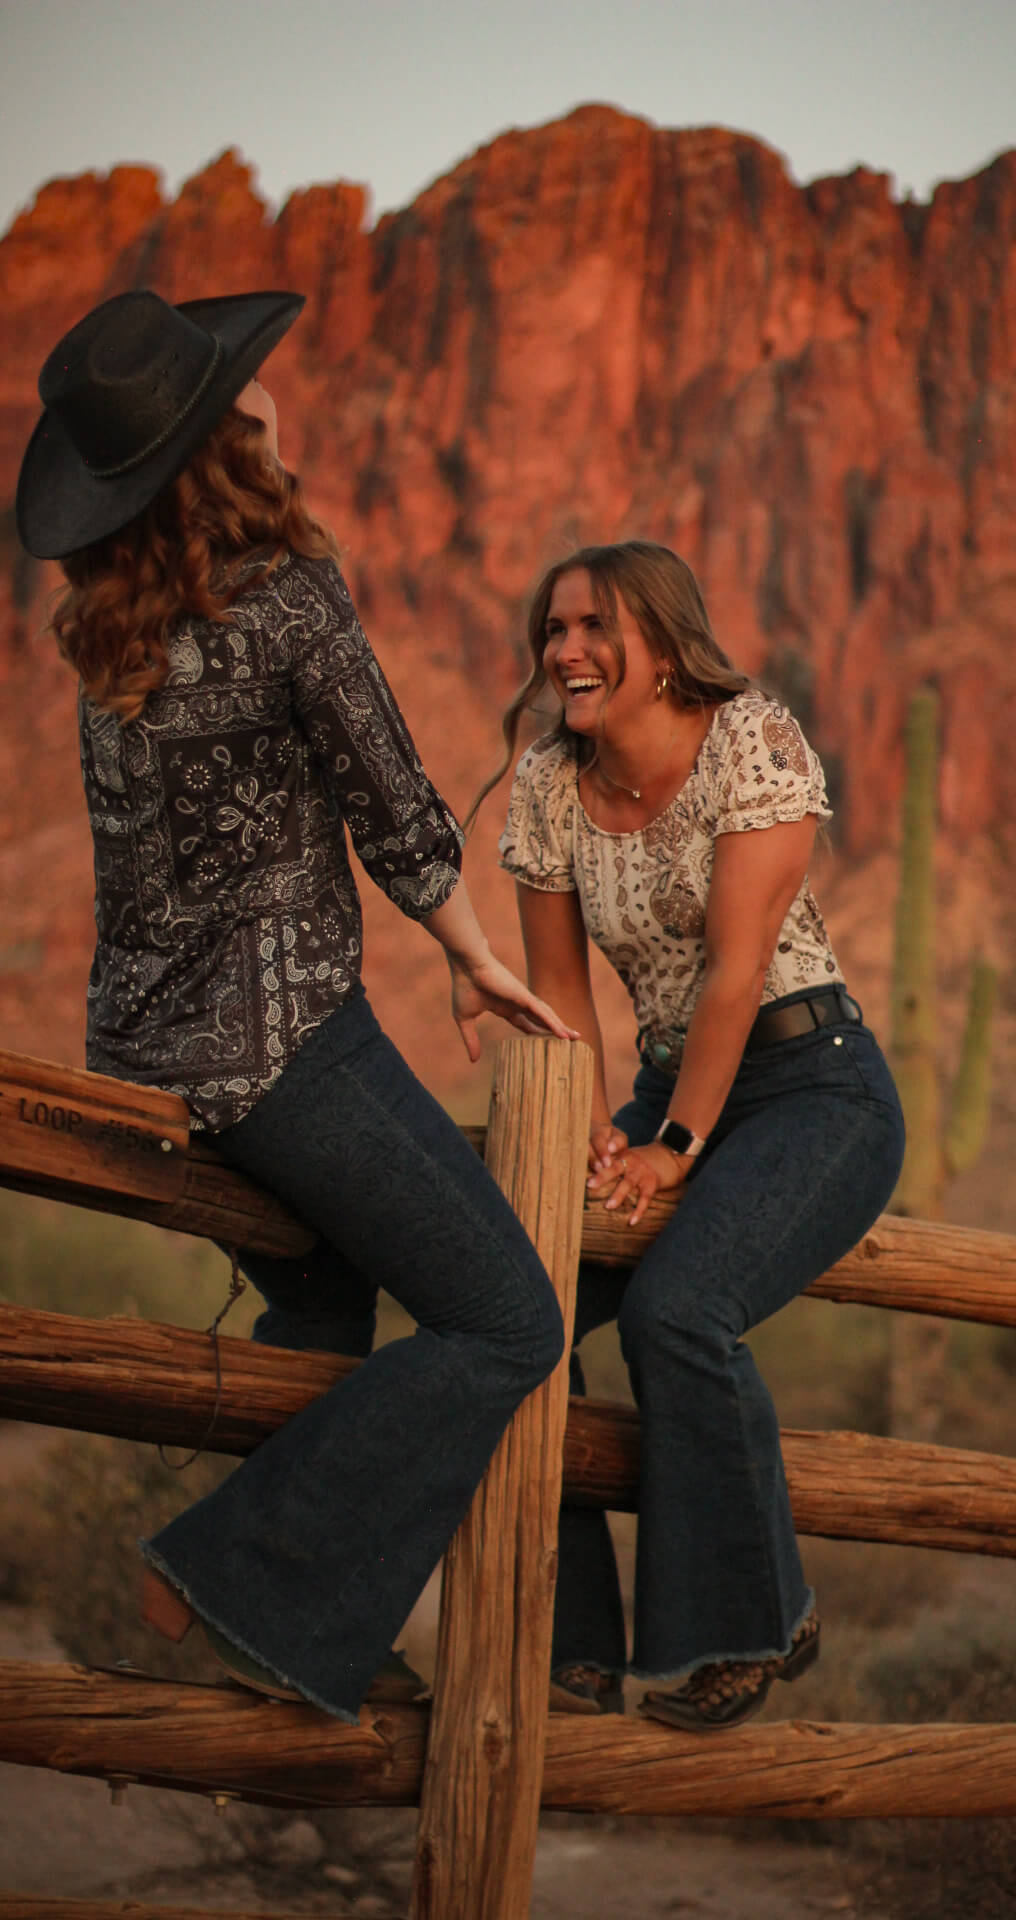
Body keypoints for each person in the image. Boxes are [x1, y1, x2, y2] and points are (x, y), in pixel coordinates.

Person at [15, 288, 571, 1723]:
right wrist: (475, 955)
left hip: (145, 1051)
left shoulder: (107, 636)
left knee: (327, 1310)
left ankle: (294, 1627)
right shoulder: (286, 602)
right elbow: (395, 808)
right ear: (226, 451)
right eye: (246, 405)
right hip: (282, 1052)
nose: (275, 411)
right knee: (512, 1319)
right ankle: (233, 1575)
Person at [486, 540, 906, 1730]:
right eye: (553, 627)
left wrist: (671, 1142)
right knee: (516, 1302)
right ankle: (567, 1645)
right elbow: (561, 999)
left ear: (663, 646)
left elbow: (733, 974)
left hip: (810, 1087)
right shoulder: (547, 784)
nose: (564, 649)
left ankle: (747, 1625)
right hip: (670, 1091)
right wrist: (579, 1137)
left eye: (592, 626)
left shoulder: (750, 741)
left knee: (678, 1311)